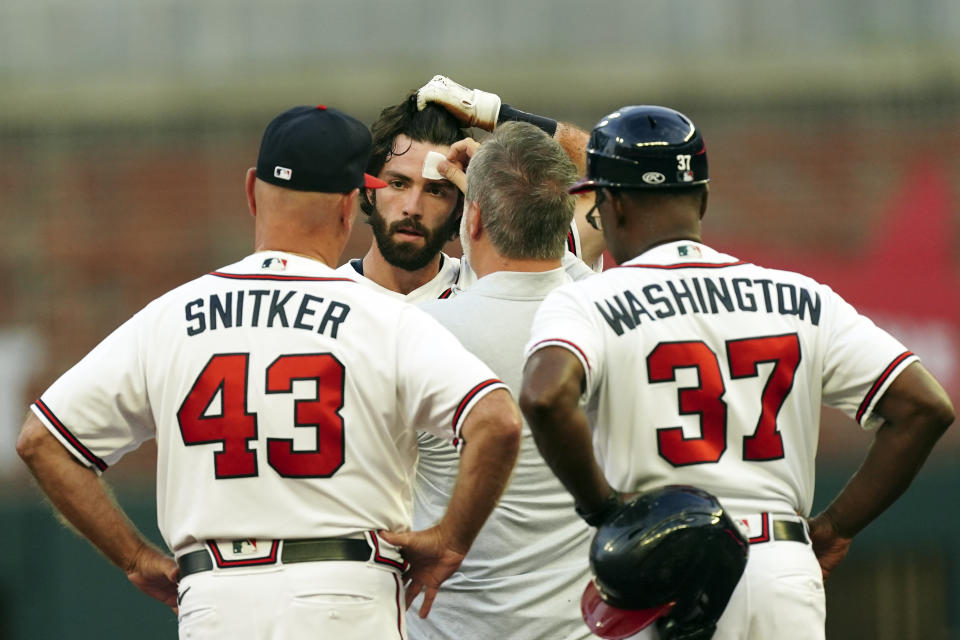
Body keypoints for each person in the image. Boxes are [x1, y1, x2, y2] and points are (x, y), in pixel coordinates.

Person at [17, 104, 522, 640]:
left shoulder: (171, 315)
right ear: (352, 206)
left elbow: (42, 441)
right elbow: (497, 421)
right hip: (345, 592)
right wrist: (449, 541)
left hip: (216, 597)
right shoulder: (383, 317)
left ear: (252, 190)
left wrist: (136, 558)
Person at [518, 105, 955, 639]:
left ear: (611, 203)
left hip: (663, 571)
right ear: (701, 197)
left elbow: (543, 396)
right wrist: (837, 527)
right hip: (780, 566)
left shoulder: (589, 300)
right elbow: (924, 407)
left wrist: (604, 509)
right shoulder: (800, 295)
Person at [407, 121, 594, 640]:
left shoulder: (423, 333)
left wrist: (483, 205)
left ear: (476, 221)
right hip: (587, 628)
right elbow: (574, 268)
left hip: (455, 626)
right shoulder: (609, 320)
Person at [335, 75, 603, 300]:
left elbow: (610, 174)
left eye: (436, 190)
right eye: (398, 184)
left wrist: (490, 113)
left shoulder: (514, 276)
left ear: (461, 205)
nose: (412, 208)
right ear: (370, 189)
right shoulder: (327, 296)